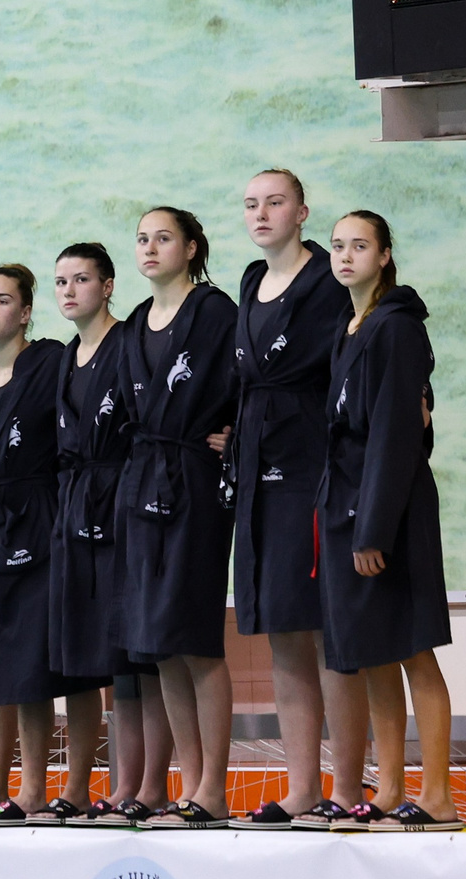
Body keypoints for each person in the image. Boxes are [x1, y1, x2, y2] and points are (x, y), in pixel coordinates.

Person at [225, 170, 364, 829]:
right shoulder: (252, 281)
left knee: (327, 629)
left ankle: (348, 785)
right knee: (283, 631)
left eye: (274, 201)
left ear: (303, 211)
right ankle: (302, 784)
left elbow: (348, 366)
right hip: (259, 466)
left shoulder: (326, 282)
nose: (261, 212)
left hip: (311, 466)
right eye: (251, 203)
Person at [321, 212, 459, 830]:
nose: (346, 255)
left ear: (384, 255)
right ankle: (388, 791)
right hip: (350, 506)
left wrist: (373, 528)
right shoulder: (352, 328)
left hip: (389, 511)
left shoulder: (396, 328)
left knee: (412, 650)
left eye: (359, 246)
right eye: (338, 246)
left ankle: (438, 797)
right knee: (374, 653)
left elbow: (396, 435)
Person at [119, 207, 241, 828]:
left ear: (192, 248)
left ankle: (213, 789)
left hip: (192, 477)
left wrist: (238, 437)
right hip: (143, 480)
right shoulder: (137, 321)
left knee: (193, 636)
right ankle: (189, 786)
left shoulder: (215, 311)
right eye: (142, 239)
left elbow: (250, 383)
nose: (149, 248)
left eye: (163, 238)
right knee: (159, 644)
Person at [0, 267, 87, 825]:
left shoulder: (50, 360)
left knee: (41, 662)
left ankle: (47, 788)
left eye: (3, 301)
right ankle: (5, 784)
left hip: (40, 515)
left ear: (26, 311)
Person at [48, 247, 164, 830]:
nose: (70, 291)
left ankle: (145, 783)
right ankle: (100, 783)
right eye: (62, 282)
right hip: (75, 508)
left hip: (122, 503)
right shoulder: (67, 355)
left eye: (82, 280)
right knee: (84, 655)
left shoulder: (128, 343)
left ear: (108, 285)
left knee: (134, 657)